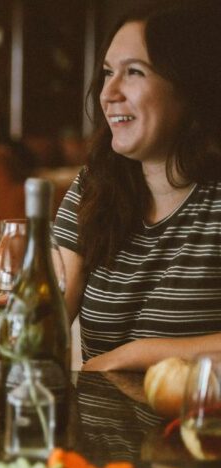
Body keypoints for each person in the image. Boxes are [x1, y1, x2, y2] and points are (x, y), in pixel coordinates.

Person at [52, 0, 221, 371]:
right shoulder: (93, 187)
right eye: (108, 72)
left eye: (134, 73)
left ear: (190, 86)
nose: (108, 93)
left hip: (198, 427)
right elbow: (47, 315)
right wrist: (19, 346)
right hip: (107, 429)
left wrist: (133, 355)